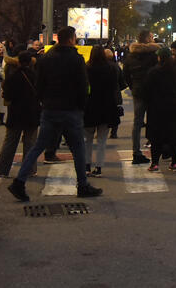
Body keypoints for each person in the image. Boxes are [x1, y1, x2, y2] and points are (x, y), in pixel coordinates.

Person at [8, 27, 102, 201]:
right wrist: (81, 107)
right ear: (71, 39)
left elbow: (39, 84)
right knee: (78, 148)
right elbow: (83, 86)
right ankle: (82, 185)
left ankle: (19, 182)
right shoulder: (76, 59)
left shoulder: (46, 59)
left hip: (50, 109)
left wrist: (44, 101)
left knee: (38, 147)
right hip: (71, 109)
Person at [0, 51, 40, 178]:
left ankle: (2, 168)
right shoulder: (35, 76)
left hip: (16, 112)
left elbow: (7, 95)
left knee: (10, 142)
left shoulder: (13, 77)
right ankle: (29, 169)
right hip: (32, 113)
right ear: (30, 63)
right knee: (30, 143)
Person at [122, 31, 159, 164]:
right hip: (153, 91)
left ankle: (136, 152)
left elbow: (125, 74)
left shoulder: (131, 55)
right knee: (154, 121)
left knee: (137, 123)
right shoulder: (154, 54)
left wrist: (133, 87)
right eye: (151, 37)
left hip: (138, 91)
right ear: (147, 39)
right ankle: (156, 150)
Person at [83, 46, 120, 177]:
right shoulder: (110, 68)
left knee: (87, 139)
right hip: (106, 107)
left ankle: (86, 166)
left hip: (90, 106)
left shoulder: (86, 68)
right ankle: (98, 167)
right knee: (102, 140)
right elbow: (116, 86)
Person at [145, 47, 176, 171]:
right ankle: (175, 162)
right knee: (174, 135)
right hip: (174, 106)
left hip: (157, 107)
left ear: (160, 57)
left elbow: (147, 89)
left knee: (156, 137)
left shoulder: (154, 72)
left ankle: (155, 163)